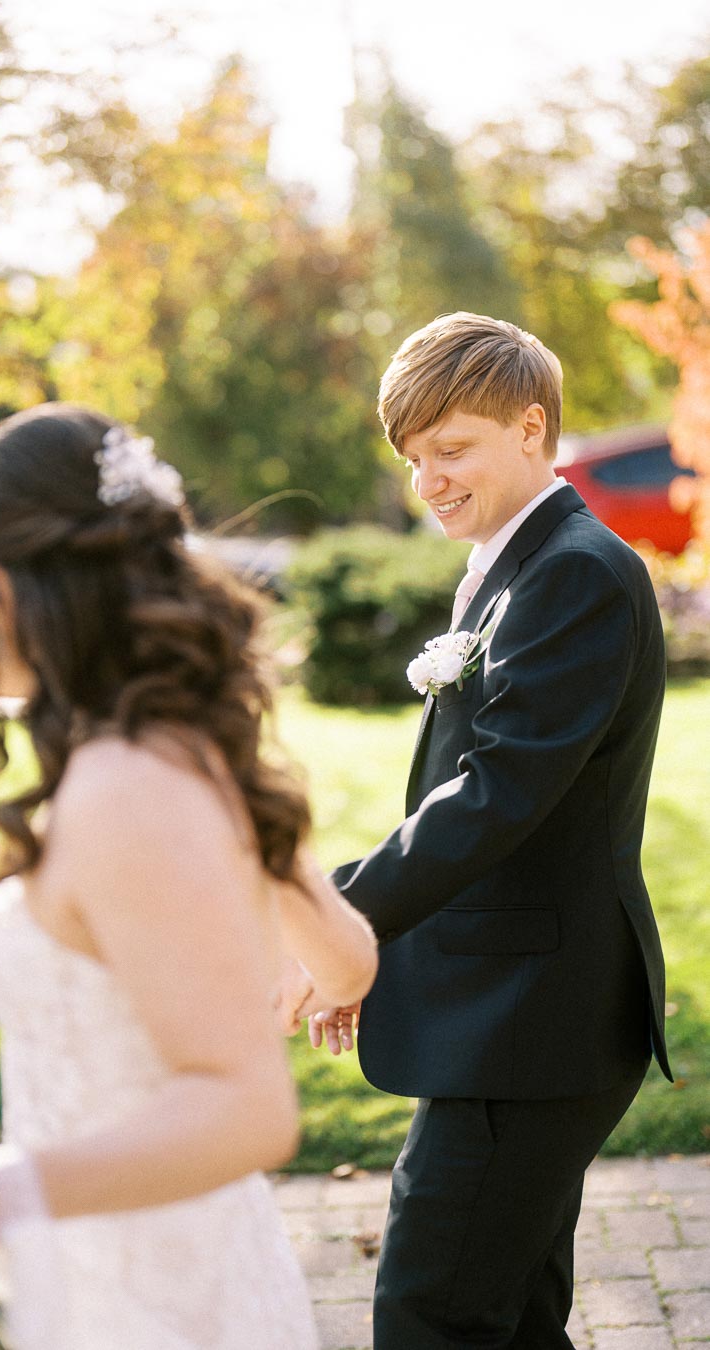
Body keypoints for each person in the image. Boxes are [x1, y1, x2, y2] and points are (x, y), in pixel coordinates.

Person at [0, 403, 378, 1349]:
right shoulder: (187, 743)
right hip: (162, 1256)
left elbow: (250, 1110)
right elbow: (351, 959)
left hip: (154, 1300)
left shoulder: (131, 784)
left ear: (14, 584)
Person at [310, 313, 671, 1349]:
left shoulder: (573, 572)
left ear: (530, 425)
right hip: (519, 1018)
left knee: (430, 1315)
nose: (430, 479)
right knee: (509, 1321)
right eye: (415, 458)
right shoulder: (522, 566)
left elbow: (498, 793)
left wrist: (344, 921)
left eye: (453, 449)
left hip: (531, 1024)